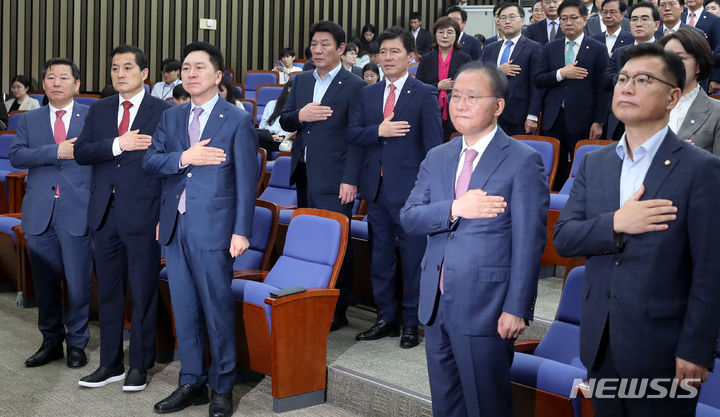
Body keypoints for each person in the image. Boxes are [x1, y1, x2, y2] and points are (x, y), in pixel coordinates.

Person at [553, 42, 720, 416]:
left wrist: (695, 349)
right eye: (622, 78)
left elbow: (710, 272)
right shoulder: (595, 163)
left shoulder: (700, 169)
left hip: (663, 346)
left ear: (673, 96)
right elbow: (564, 238)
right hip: (601, 340)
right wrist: (616, 223)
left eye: (643, 80)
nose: (626, 87)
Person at [400, 61, 548, 417]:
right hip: (436, 301)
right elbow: (409, 217)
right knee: (446, 404)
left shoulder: (523, 160)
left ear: (498, 105)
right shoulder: (438, 155)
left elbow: (529, 242)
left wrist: (517, 307)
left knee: (486, 405)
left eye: (472, 97)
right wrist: (455, 207)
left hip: (488, 305)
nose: (460, 104)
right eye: (454, 96)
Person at [144, 41, 257, 417]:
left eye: (200, 68)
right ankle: (191, 381)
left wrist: (241, 231)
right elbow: (151, 161)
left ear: (218, 75)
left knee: (217, 309)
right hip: (175, 227)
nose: (191, 74)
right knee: (185, 309)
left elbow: (245, 180)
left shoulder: (236, 118)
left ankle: (222, 386)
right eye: (187, 68)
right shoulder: (172, 116)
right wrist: (183, 158)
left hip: (215, 229)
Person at [74, 45, 172, 392]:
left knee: (143, 291)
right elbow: (82, 152)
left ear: (144, 74)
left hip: (144, 213)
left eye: (127, 68)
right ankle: (111, 364)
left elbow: (169, 166)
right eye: (115, 68)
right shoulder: (99, 110)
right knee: (110, 292)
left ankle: (140, 366)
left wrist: (165, 213)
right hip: (104, 213)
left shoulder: (163, 111)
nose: (119, 74)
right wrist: (119, 143)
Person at [347, 27, 443, 349]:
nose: (387, 58)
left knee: (413, 259)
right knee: (381, 258)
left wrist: (428, 193)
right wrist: (380, 130)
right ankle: (385, 317)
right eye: (383, 52)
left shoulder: (424, 93)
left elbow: (433, 148)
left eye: (395, 52)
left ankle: (410, 321)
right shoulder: (368, 93)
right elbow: (354, 135)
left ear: (411, 57)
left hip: (411, 196)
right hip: (375, 191)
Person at [8, 58, 93, 370]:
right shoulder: (30, 119)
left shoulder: (92, 117)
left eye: (64, 77)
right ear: (43, 84)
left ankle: (78, 343)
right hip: (40, 212)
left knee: (78, 281)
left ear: (77, 84)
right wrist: (55, 151)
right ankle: (51, 341)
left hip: (78, 211)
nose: (57, 82)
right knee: (44, 282)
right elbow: (17, 156)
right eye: (51, 77)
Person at [279, 21, 365, 331]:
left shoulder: (355, 85)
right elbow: (286, 119)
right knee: (311, 240)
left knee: (337, 242)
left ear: (341, 49)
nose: (317, 49)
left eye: (325, 44)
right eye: (314, 44)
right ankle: (311, 299)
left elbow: (357, 137)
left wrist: (351, 178)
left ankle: (338, 308)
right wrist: (300, 116)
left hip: (337, 176)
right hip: (303, 170)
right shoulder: (301, 81)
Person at [535, 0, 610, 188]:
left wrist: (598, 121)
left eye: (573, 18)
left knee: (582, 166)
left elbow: (603, 89)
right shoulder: (550, 48)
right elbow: (539, 79)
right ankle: (553, 206)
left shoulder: (598, 49)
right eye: (564, 19)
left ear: (585, 20)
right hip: (554, 118)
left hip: (583, 119)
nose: (568, 22)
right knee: (555, 167)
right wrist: (561, 74)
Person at [480, 2, 544, 136]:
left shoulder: (534, 48)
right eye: (503, 18)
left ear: (522, 20)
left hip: (518, 115)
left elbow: (537, 84)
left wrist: (532, 115)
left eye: (511, 17)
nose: (507, 21)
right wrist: (497, 71)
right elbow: (479, 76)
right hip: (490, 114)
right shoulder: (490, 48)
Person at [604, 2, 663, 140]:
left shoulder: (665, 52)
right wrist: (626, 77)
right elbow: (606, 82)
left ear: (656, 25)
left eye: (644, 19)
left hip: (652, 119)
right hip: (620, 121)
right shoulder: (619, 52)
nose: (638, 23)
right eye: (634, 19)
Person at [662, 28, 720, 156]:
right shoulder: (648, 105)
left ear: (699, 65)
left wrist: (693, 158)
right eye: (666, 58)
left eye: (680, 58)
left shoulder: (716, 112)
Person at [416, 16, 472, 140]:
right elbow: (418, 87)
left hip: (457, 111)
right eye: (441, 32)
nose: (445, 36)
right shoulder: (426, 59)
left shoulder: (465, 58)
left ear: (456, 35)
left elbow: (471, 86)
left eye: (450, 32)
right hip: (431, 110)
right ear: (435, 35)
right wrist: (438, 86)